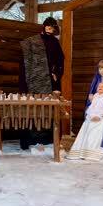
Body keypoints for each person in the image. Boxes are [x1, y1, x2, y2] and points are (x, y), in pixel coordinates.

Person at [18, 17, 65, 150]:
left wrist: (57, 73)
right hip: (33, 81)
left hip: (50, 82)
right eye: (49, 26)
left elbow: (60, 60)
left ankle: (48, 139)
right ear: (44, 26)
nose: (51, 29)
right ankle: (30, 140)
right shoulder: (32, 42)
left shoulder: (55, 42)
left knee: (48, 109)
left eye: (53, 27)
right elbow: (25, 63)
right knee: (32, 109)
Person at [67, 82, 103, 161]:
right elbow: (92, 107)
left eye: (102, 86)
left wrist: (99, 116)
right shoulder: (95, 95)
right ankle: (83, 152)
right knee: (87, 127)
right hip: (92, 116)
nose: (99, 87)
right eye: (98, 86)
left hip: (101, 116)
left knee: (95, 131)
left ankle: (92, 153)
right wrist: (91, 115)